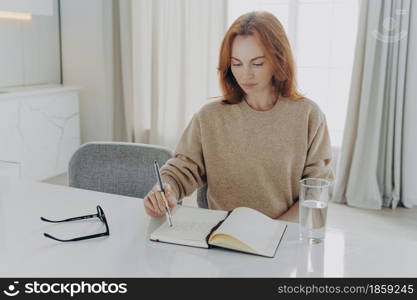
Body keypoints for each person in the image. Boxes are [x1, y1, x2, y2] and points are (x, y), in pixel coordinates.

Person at [143, 11, 334, 222]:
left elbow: (317, 189)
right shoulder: (209, 117)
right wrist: (165, 191)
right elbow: (181, 169)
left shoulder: (309, 116)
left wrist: (273, 232)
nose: (246, 74)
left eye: (258, 63)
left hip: (283, 238)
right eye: (237, 63)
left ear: (278, 60)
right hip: (222, 238)